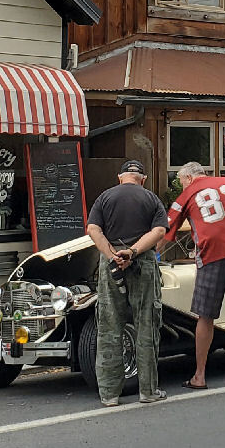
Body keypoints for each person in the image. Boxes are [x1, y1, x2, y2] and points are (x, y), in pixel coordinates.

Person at [165, 160, 225, 389]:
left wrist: (145, 253)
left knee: (205, 316)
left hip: (211, 255)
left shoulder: (187, 194)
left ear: (188, 178)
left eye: (180, 182)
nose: (181, 186)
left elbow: (166, 229)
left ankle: (199, 375)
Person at [84, 160, 169, 406]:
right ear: (142, 178)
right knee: (146, 324)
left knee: (110, 326)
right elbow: (160, 232)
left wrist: (112, 256)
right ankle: (148, 391)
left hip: (110, 266)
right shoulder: (151, 198)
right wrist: (131, 252)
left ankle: (109, 394)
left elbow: (93, 230)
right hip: (142, 264)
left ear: (120, 177)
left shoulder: (104, 197)